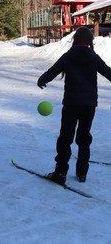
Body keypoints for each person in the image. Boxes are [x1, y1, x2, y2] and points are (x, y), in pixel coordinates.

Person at [37, 26, 111, 185]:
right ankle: (82, 173)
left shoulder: (68, 56)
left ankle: (60, 173)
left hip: (71, 103)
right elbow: (108, 72)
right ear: (90, 41)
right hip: (89, 105)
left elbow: (53, 71)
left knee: (65, 138)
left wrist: (42, 79)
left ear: (75, 40)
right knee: (84, 138)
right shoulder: (94, 57)